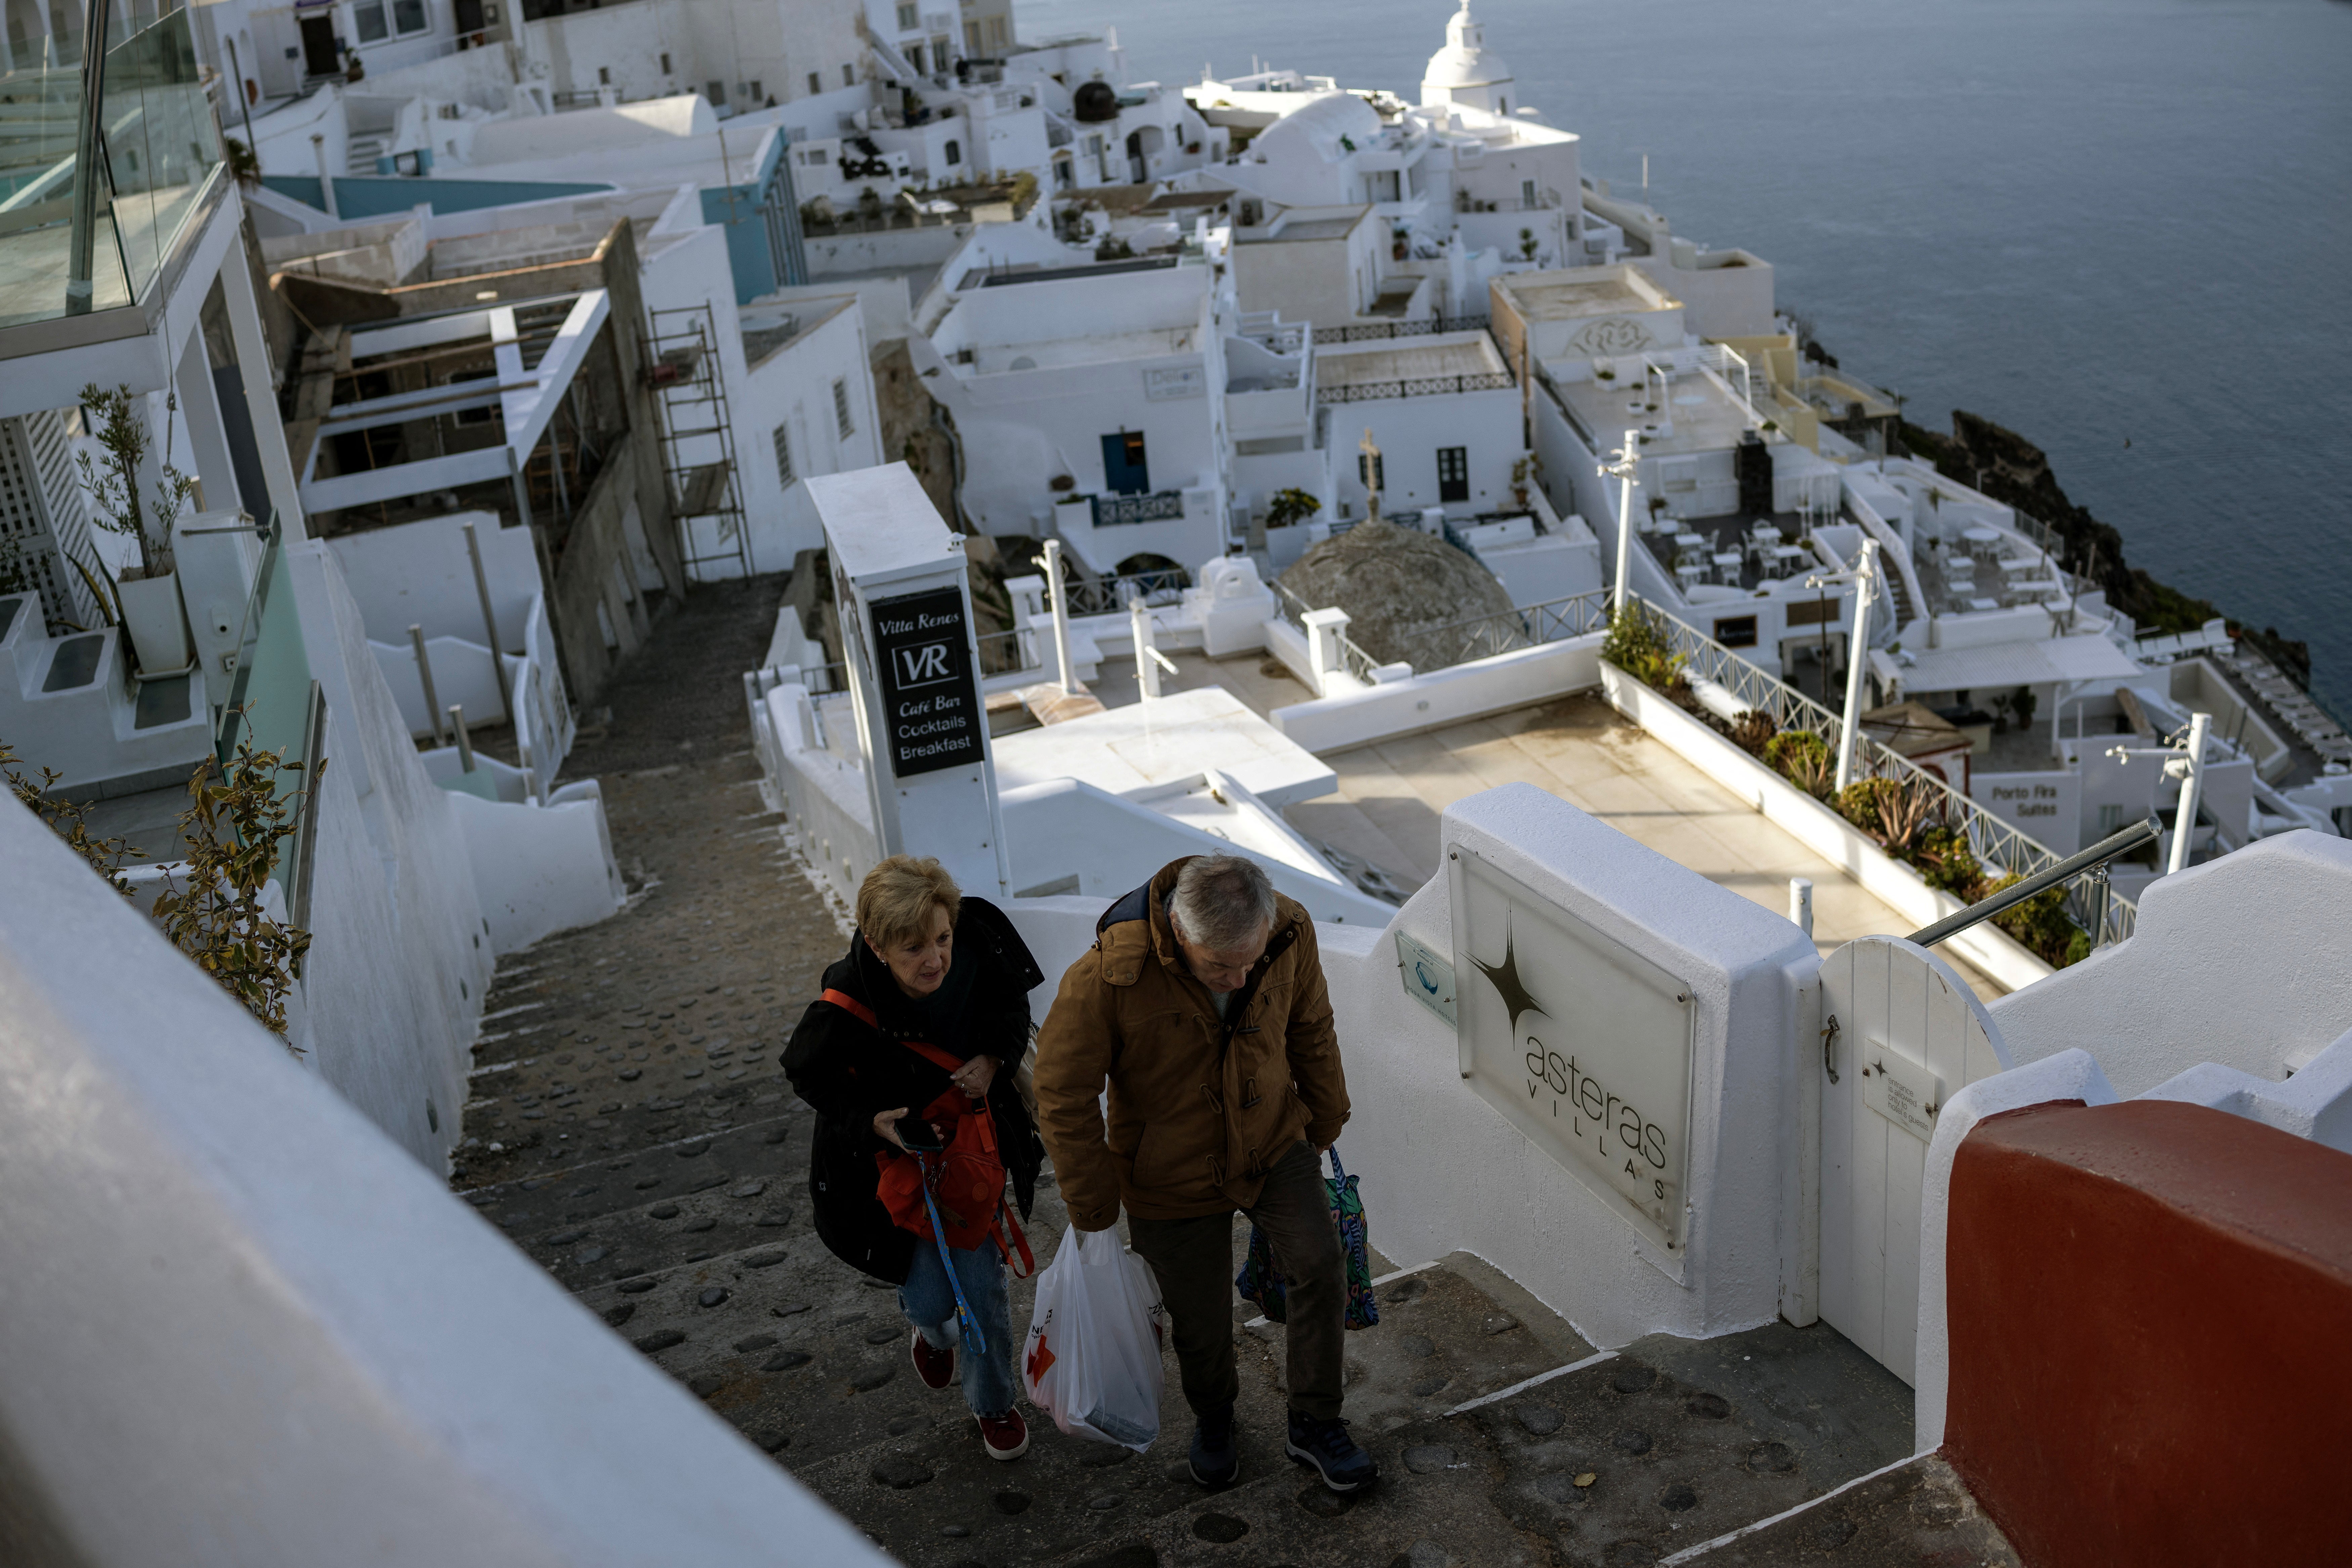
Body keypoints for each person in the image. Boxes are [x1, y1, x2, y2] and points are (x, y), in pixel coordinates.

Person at [1033, 853, 1377, 1493]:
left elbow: (1311, 1026)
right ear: (1179, 933)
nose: (1240, 975)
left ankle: (1315, 1421)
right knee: (1200, 1317)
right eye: (1222, 966)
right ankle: (1215, 1419)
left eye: (1250, 962)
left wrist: (1326, 1118)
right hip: (1170, 1171)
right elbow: (1060, 1091)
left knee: (1321, 1264)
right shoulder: (1108, 977)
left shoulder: (1291, 932)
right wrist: (1095, 1208)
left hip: (1274, 1140)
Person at [783, 855, 1045, 1461]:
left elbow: (1011, 1012)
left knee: (982, 1289)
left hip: (971, 1158)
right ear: (877, 946)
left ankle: (993, 1404)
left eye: (942, 938)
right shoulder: (845, 1002)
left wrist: (994, 1061)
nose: (935, 959)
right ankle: (929, 1330)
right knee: (930, 1298)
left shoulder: (980, 947)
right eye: (913, 949)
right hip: (894, 1173)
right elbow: (806, 1074)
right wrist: (871, 1120)